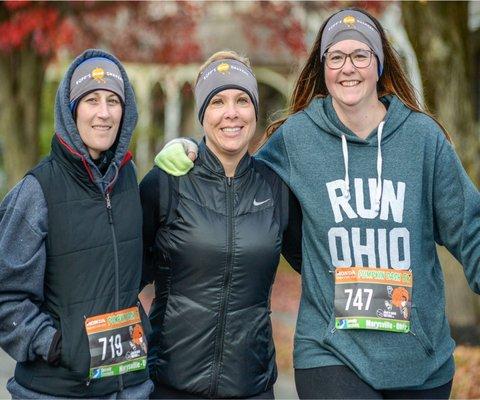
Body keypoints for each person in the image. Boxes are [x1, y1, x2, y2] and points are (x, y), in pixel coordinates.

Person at [155, 8, 480, 400]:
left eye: (360, 55)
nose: (348, 68)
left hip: (419, 359)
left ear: (379, 64)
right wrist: (191, 151)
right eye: (336, 57)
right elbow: (240, 175)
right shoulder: (297, 138)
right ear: (322, 66)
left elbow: (470, 228)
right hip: (330, 354)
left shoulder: (422, 139)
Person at [140, 51, 302, 399]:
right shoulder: (168, 182)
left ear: (254, 110)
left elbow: (316, 264)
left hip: (251, 386)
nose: (232, 113)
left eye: (242, 100)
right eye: (217, 101)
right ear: (202, 114)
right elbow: (123, 274)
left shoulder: (275, 188)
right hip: (171, 385)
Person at [0, 49, 153, 399]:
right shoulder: (37, 190)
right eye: (91, 100)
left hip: (129, 388)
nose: (104, 113)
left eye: (113, 101)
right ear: (71, 111)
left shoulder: (129, 179)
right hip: (58, 390)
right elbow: (5, 294)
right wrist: (55, 344)